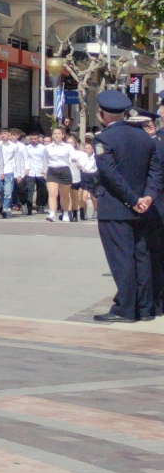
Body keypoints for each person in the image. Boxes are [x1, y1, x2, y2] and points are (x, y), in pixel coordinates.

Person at [87, 90, 163, 323]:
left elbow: (110, 175)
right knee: (142, 257)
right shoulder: (144, 137)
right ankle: (145, 307)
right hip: (144, 208)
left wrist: (132, 199)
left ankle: (125, 309)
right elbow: (156, 172)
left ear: (102, 115)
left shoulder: (104, 139)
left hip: (117, 207)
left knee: (121, 258)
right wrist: (147, 197)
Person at [45, 125, 82, 222]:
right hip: (52, 170)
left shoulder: (68, 147)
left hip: (64, 170)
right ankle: (52, 213)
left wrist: (74, 159)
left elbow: (74, 156)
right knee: (52, 193)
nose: (56, 135)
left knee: (64, 194)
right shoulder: (48, 147)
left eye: (58, 133)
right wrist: (44, 171)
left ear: (62, 135)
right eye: (55, 134)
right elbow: (45, 160)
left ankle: (65, 212)